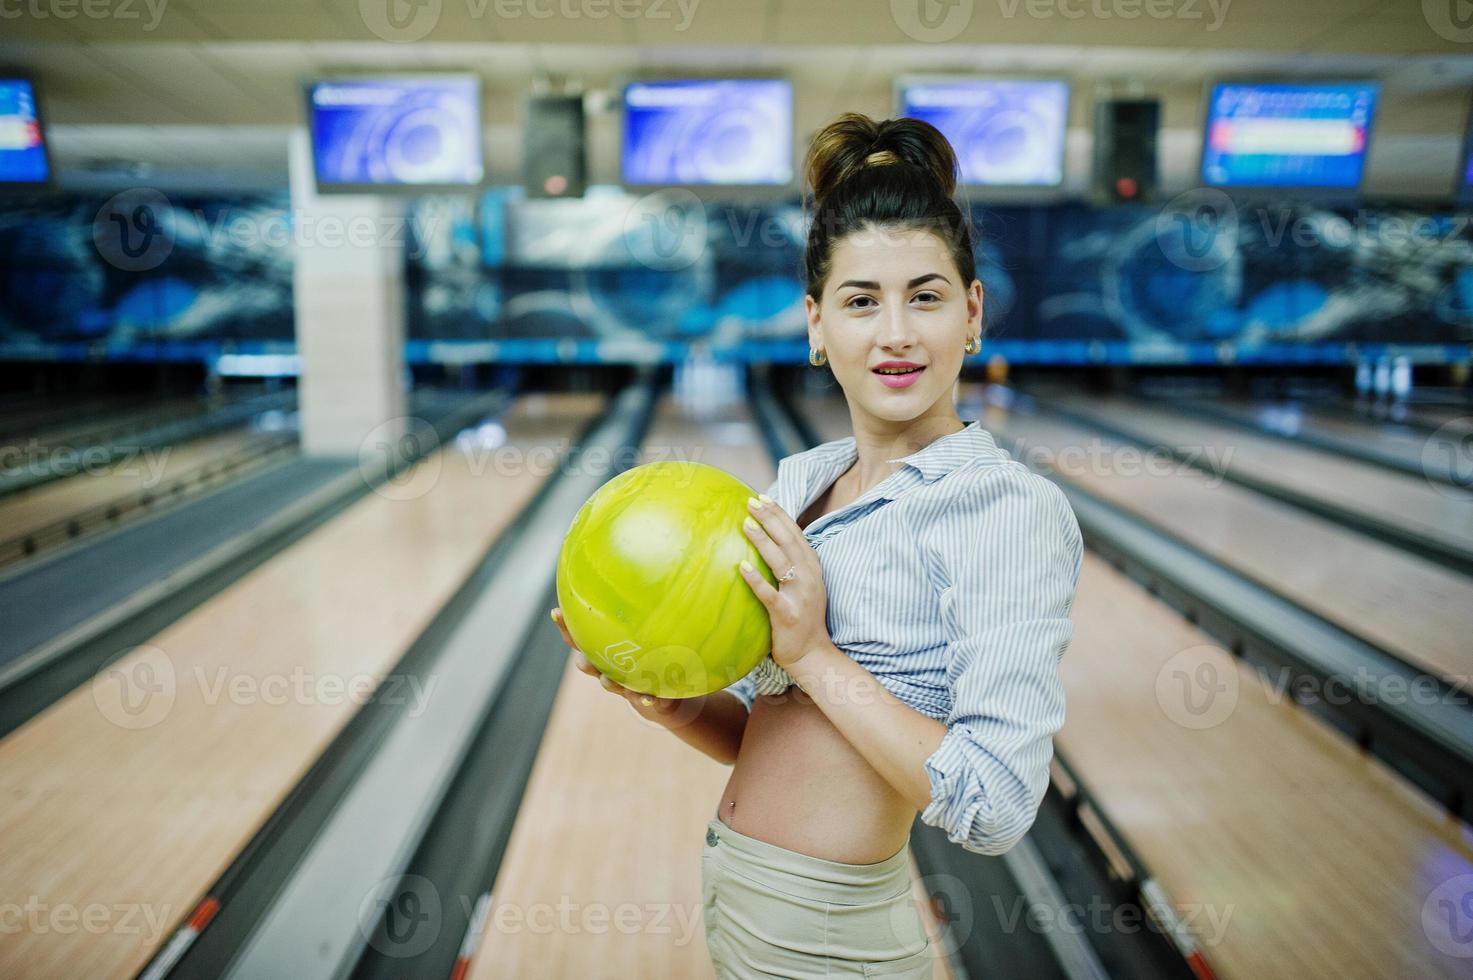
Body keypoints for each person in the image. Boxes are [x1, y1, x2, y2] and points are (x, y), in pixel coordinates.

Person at [551, 111, 1083, 978]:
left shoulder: (1002, 509)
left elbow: (995, 805)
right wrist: (670, 702)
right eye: (861, 301)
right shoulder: (801, 482)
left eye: (926, 295)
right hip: (743, 907)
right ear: (814, 323)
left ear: (972, 312)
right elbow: (785, 734)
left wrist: (811, 651)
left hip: (835, 945)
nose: (896, 332)